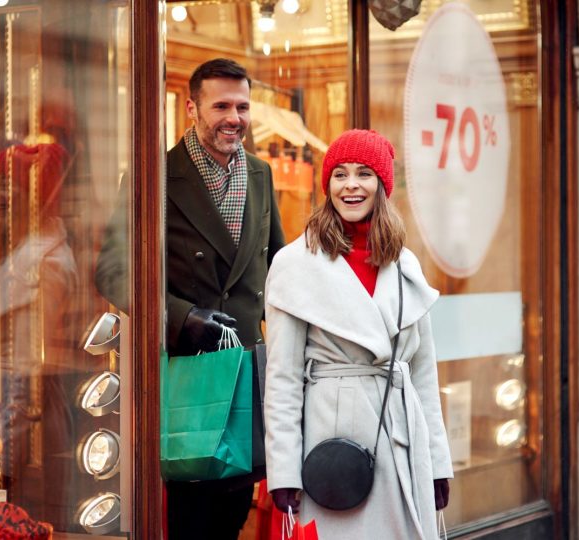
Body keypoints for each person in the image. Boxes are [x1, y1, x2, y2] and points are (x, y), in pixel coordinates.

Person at [95, 58, 285, 539]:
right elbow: (112, 270)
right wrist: (181, 316)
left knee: (235, 509)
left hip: (244, 370)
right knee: (190, 513)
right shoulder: (154, 175)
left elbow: (278, 267)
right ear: (191, 108)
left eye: (242, 106)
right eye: (221, 105)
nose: (234, 117)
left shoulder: (260, 175)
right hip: (185, 375)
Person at [263, 129, 452, 539]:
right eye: (340, 174)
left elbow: (423, 374)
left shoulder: (405, 264)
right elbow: (282, 379)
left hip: (403, 437)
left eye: (364, 174)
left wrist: (437, 463)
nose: (351, 185)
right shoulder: (296, 264)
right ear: (326, 184)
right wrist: (283, 471)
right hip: (334, 447)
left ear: (382, 185)